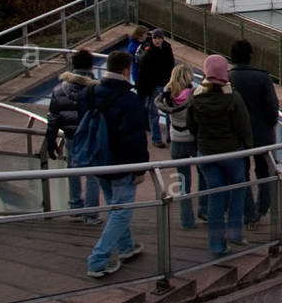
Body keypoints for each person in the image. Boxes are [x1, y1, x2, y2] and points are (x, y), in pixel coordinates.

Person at [85, 50, 150, 278]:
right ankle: (98, 260)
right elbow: (135, 137)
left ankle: (126, 247)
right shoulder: (129, 99)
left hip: (97, 160)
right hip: (121, 163)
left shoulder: (92, 91)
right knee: (121, 211)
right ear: (125, 70)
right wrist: (140, 168)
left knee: (115, 205)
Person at [187, 55, 253, 257]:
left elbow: (192, 126)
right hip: (231, 153)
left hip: (206, 154)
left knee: (215, 197)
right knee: (238, 190)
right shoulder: (233, 98)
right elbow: (244, 127)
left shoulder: (195, 97)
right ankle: (235, 233)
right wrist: (248, 150)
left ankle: (217, 245)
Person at [228, 39, 279, 229]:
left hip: (237, 136)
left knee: (241, 174)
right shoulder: (262, 78)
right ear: (250, 55)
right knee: (264, 171)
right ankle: (262, 208)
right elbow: (272, 108)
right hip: (262, 134)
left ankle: (248, 213)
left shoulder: (228, 78)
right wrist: (269, 123)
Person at [47, 49, 101, 222]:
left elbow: (53, 117)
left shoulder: (58, 90)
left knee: (73, 169)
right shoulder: (96, 89)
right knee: (93, 174)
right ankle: (91, 214)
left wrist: (51, 139)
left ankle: (75, 206)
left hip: (70, 135)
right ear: (91, 66)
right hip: (91, 135)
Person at [156, 65, 198, 229]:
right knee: (204, 174)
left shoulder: (167, 96)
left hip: (176, 140)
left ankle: (187, 220)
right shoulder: (194, 94)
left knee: (183, 184)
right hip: (192, 140)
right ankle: (204, 209)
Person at [137, 28, 176, 147]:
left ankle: (169, 136)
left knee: (168, 111)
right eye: (155, 38)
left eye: (159, 38)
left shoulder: (166, 49)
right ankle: (156, 138)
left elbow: (171, 65)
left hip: (165, 83)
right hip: (155, 85)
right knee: (154, 111)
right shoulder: (148, 51)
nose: (157, 40)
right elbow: (143, 70)